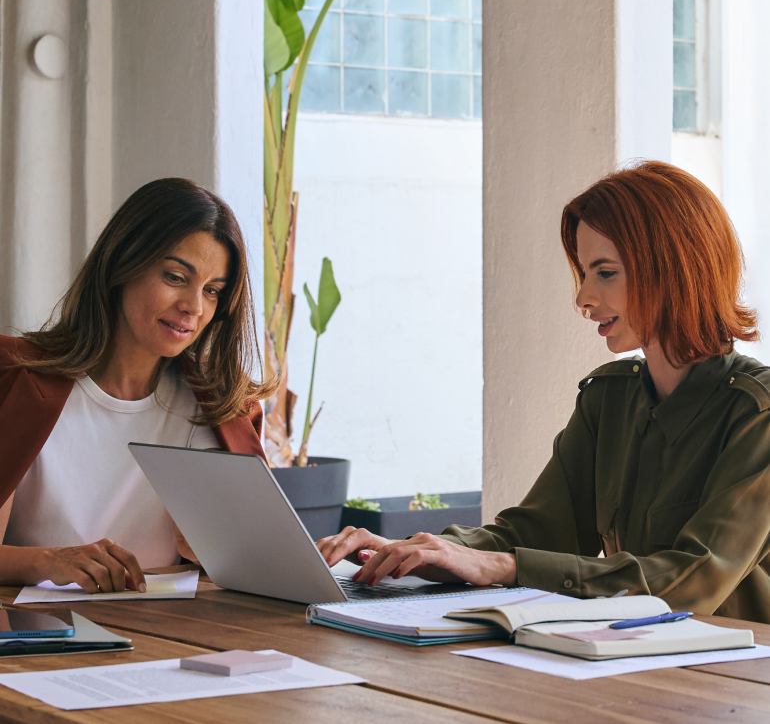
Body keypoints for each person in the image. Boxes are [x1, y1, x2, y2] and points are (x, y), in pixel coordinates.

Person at [319, 161, 770, 622]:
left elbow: (692, 580)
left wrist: (503, 566)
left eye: (605, 273)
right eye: (584, 273)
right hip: (637, 659)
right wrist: (420, 551)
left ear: (673, 268)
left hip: (740, 676)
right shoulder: (608, 399)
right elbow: (535, 534)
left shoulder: (759, 413)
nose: (583, 298)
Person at [0, 178, 272, 594]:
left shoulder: (224, 410)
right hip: (43, 637)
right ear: (122, 264)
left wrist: (215, 554)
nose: (194, 308)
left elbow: (258, 563)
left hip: (178, 632)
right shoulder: (17, 377)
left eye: (213, 291)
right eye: (176, 276)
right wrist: (51, 560)